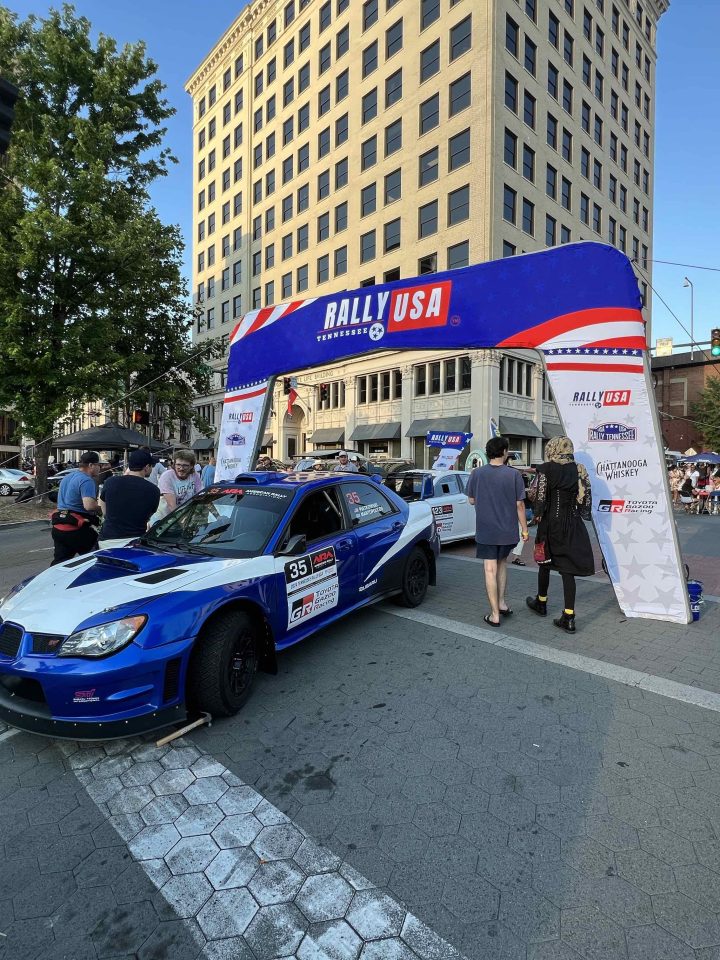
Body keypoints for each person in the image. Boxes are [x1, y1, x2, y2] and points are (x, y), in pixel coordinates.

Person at [526, 436, 594, 633]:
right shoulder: (579, 469)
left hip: (550, 523)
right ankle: (569, 616)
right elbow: (585, 498)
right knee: (568, 569)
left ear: (552, 449)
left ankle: (541, 602)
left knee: (544, 562)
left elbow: (538, 497)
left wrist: (537, 514)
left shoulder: (546, 469)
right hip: (572, 523)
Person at [466, 435, 529, 627]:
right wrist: (525, 530)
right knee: (502, 564)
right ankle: (502, 603)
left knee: (489, 569)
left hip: (486, 530)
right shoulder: (514, 475)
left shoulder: (477, 473)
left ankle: (494, 615)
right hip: (507, 530)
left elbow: (471, 500)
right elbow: (519, 505)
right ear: (504, 452)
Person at [50, 451, 102, 564]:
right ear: (91, 465)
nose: (100, 468)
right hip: (77, 528)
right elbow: (89, 506)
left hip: (59, 526)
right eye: (99, 465)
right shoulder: (87, 480)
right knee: (95, 558)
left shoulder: (67, 477)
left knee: (60, 563)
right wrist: (101, 508)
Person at [99, 449, 161, 542]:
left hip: (107, 539)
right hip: (135, 541)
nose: (152, 469)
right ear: (146, 467)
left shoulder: (110, 482)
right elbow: (149, 515)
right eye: (152, 466)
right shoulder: (154, 490)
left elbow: (103, 508)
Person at [156, 450, 202, 519]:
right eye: (178, 465)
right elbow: (172, 506)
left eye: (185, 465)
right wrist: (182, 521)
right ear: (174, 464)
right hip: (166, 519)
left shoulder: (194, 476)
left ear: (191, 466)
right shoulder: (167, 476)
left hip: (185, 516)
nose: (181, 468)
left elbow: (201, 495)